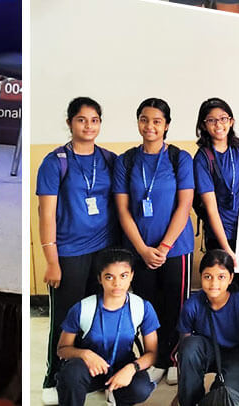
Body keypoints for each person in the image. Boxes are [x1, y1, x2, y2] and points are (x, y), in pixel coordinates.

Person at [36, 98, 121, 401]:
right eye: (82, 120)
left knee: (99, 314)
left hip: (104, 250)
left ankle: (95, 372)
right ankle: (53, 374)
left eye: (95, 120)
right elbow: (46, 214)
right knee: (66, 316)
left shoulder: (110, 159)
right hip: (69, 252)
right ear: (70, 122)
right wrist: (51, 260)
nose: (89, 126)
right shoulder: (55, 161)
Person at [110, 98, 193, 379]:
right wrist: (143, 249)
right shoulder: (126, 160)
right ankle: (154, 358)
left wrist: (164, 246)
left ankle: (174, 357)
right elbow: (122, 209)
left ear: (166, 125)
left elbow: (184, 206)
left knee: (176, 305)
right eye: (145, 120)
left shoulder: (179, 158)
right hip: (138, 249)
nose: (150, 126)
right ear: (138, 122)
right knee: (146, 307)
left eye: (157, 121)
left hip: (176, 248)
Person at [53, 249, 160, 406]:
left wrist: (131, 368)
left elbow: (152, 354)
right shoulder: (83, 308)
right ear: (100, 279)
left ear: (131, 276)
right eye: (109, 277)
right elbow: (62, 349)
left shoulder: (142, 307)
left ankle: (117, 396)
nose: (117, 283)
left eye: (123, 276)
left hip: (122, 366)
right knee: (71, 374)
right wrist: (85, 354)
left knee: (141, 388)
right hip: (90, 369)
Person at [189, 98, 239, 304]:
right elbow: (211, 210)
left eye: (223, 119)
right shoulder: (203, 158)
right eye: (211, 120)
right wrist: (227, 250)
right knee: (223, 296)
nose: (218, 125)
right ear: (203, 125)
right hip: (222, 236)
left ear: (231, 121)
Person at [175, 250, 239, 406]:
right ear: (201, 277)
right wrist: (182, 392)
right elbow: (184, 352)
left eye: (221, 277)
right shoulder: (192, 304)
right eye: (207, 277)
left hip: (237, 354)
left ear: (230, 278)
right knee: (189, 347)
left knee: (224, 396)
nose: (214, 283)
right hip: (206, 350)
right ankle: (190, 401)